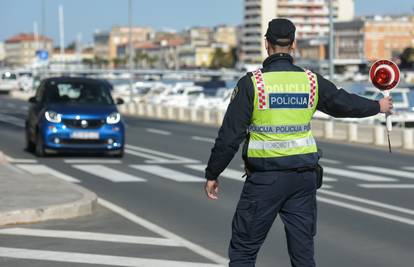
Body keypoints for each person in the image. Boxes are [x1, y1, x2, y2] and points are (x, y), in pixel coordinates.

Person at [203, 18, 393, 267]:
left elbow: (229, 136)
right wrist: (378, 106)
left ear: (266, 44)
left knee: (244, 252)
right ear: (293, 44)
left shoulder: (253, 84)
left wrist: (213, 173)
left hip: (265, 180)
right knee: (303, 256)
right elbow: (342, 102)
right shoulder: (311, 81)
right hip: (303, 180)